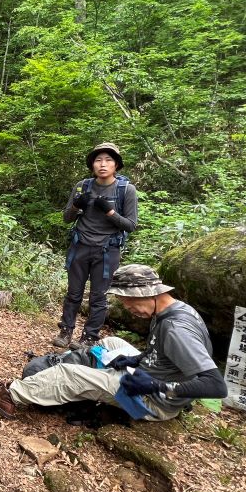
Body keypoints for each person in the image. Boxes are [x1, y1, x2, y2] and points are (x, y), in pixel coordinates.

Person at [0, 264, 227, 422]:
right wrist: (136, 359)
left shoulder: (176, 329)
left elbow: (216, 386)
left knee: (69, 374)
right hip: (150, 378)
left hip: (152, 402)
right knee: (113, 343)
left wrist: (156, 385)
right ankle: (97, 376)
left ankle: (11, 396)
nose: (129, 310)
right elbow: (162, 353)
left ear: (146, 293)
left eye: (129, 303)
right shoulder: (172, 309)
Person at [53, 142, 138, 350]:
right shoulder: (83, 186)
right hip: (80, 246)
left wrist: (110, 212)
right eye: (98, 160)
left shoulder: (126, 190)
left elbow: (130, 225)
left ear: (116, 165)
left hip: (108, 250)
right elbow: (66, 218)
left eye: (108, 160)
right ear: (92, 164)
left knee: (98, 297)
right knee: (74, 293)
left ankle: (89, 337)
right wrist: (76, 205)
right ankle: (66, 331)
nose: (103, 164)